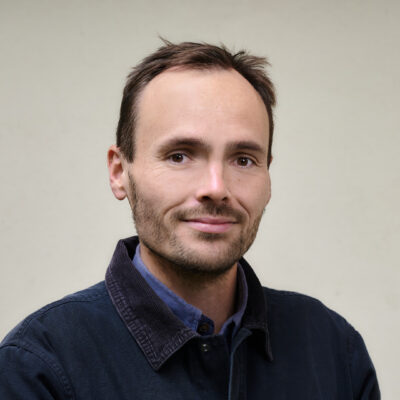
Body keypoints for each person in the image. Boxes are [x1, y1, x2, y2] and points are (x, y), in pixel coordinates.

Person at [0, 40, 380, 399]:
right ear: (119, 172)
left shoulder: (334, 350)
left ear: (268, 176)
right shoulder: (38, 367)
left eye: (243, 160)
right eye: (179, 156)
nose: (216, 188)